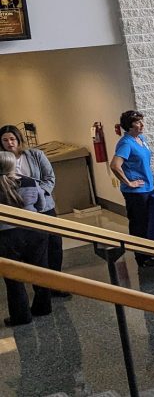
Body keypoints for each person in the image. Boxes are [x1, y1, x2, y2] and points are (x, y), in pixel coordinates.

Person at [0, 125, 63, 287]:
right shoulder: (3, 160)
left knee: (54, 245)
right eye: (5, 140)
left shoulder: (35, 155)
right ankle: (41, 285)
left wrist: (36, 193)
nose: (10, 143)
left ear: (18, 140)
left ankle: (57, 284)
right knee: (32, 250)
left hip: (42, 206)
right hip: (15, 210)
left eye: (12, 139)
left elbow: (49, 177)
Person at [0, 151, 51, 326]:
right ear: (13, 165)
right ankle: (43, 307)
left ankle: (21, 316)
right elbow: (41, 205)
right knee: (40, 270)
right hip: (34, 232)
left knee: (13, 278)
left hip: (6, 236)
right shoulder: (30, 182)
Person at [110, 110, 154, 267]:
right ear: (129, 127)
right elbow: (115, 166)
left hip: (147, 187)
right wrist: (129, 182)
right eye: (138, 122)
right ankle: (141, 258)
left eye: (142, 121)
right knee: (139, 224)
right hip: (136, 193)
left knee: (148, 223)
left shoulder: (141, 139)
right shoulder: (126, 143)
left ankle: (151, 253)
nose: (142, 124)